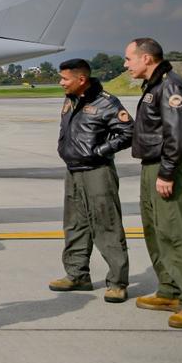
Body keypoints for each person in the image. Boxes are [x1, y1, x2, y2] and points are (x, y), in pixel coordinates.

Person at [124, 38, 182, 329]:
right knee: (157, 232)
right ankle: (170, 290)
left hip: (167, 167)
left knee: (177, 234)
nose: (126, 64)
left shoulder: (170, 85)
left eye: (129, 58)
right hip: (153, 166)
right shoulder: (154, 85)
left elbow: (179, 133)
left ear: (146, 58)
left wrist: (167, 172)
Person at [49, 58, 134, 302]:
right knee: (75, 225)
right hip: (73, 171)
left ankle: (117, 282)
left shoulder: (106, 102)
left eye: (65, 78)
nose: (61, 82)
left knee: (106, 225)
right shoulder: (70, 100)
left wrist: (100, 151)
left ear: (81, 79)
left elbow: (128, 131)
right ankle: (77, 275)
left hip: (98, 172)